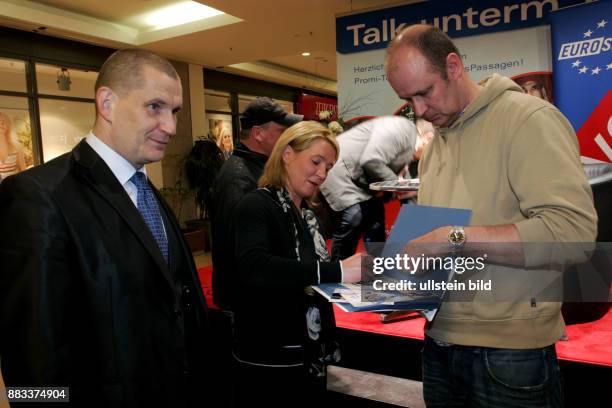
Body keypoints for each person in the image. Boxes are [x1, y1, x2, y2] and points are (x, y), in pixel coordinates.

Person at [385, 25, 597, 407]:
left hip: (508, 353)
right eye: (406, 100)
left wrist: (455, 237)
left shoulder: (528, 120)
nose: (418, 111)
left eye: (424, 92)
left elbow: (573, 232)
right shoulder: (436, 144)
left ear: (453, 66)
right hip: (438, 342)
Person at [0, 49, 210, 407]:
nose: (171, 127)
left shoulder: (146, 191)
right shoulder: (38, 196)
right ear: (107, 103)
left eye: (174, 111)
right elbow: (29, 359)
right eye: (154, 107)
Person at [230, 121, 362, 407]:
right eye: (316, 162)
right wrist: (339, 270)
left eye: (328, 167)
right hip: (269, 356)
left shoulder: (310, 217)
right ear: (287, 154)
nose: (322, 174)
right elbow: (255, 268)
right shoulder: (256, 205)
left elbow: (313, 281)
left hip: (308, 352)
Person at [209, 97, 302, 310]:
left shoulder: (257, 168)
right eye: (281, 131)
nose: (286, 137)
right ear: (258, 133)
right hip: (247, 298)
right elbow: (242, 248)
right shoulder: (238, 177)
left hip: (261, 290)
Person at [319, 115, 423, 261]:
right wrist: (397, 186)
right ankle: (339, 270)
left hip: (360, 181)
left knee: (375, 220)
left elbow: (404, 191)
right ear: (428, 137)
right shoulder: (402, 130)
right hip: (343, 173)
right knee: (354, 217)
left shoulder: (410, 152)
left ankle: (378, 267)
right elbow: (372, 161)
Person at [0, 112, 26, 181]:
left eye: (4, 121)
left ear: (8, 125)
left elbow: (24, 170)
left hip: (13, 187)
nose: (1, 124)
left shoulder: (17, 147)